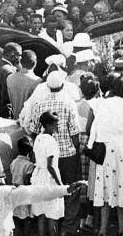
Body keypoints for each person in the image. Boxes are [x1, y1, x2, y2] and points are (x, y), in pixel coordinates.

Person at [27, 71, 83, 236]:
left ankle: (54, 228)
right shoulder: (69, 102)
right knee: (70, 193)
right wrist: (75, 150)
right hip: (67, 154)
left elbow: (34, 130)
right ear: (63, 85)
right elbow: (75, 133)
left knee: (50, 196)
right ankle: (67, 229)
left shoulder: (40, 103)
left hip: (45, 157)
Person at [90, 76, 123, 236]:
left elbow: (95, 126)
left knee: (106, 187)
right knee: (122, 187)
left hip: (106, 148)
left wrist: (93, 144)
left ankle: (103, 229)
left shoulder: (104, 104)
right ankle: (121, 228)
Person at [32, 111, 65, 236]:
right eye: (56, 124)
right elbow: (50, 166)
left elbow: (36, 159)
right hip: (49, 179)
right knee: (52, 214)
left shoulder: (38, 138)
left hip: (38, 178)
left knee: (41, 212)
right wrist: (60, 184)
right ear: (49, 125)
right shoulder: (50, 141)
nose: (58, 126)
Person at [10, 137, 35, 236]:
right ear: (30, 152)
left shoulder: (13, 162)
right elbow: (27, 181)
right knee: (27, 219)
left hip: (14, 194)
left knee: (16, 219)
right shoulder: (29, 165)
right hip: (24, 194)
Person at [0, 42, 22, 118]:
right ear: (12, 54)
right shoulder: (10, 71)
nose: (20, 58)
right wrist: (8, 118)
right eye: (19, 55)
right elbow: (7, 99)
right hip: (5, 116)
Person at [7, 50, 41, 121]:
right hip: (29, 122)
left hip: (14, 119)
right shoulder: (38, 81)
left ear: (21, 62)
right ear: (34, 63)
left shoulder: (9, 78)